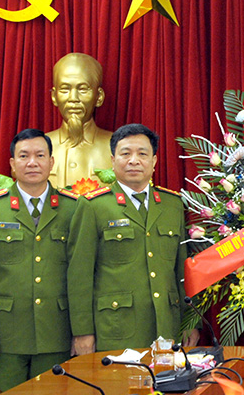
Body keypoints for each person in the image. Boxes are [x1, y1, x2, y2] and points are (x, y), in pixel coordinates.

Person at [68, 123, 197, 353]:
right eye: (125, 154)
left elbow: (182, 270)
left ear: (154, 161)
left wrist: (190, 321)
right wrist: (82, 332)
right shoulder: (93, 206)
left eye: (142, 154)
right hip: (116, 328)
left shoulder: (173, 204)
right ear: (112, 160)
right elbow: (80, 275)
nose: (134, 161)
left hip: (167, 326)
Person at [0, 129, 79, 392]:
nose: (32, 162)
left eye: (40, 155)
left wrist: (81, 331)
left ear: (51, 162)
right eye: (24, 156)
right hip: (5, 334)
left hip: (57, 331)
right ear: (12, 163)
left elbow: (81, 273)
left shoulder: (73, 207)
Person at [45, 53, 115, 189]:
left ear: (99, 97)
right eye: (65, 89)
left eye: (83, 89)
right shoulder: (37, 148)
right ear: (54, 96)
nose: (73, 98)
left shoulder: (117, 148)